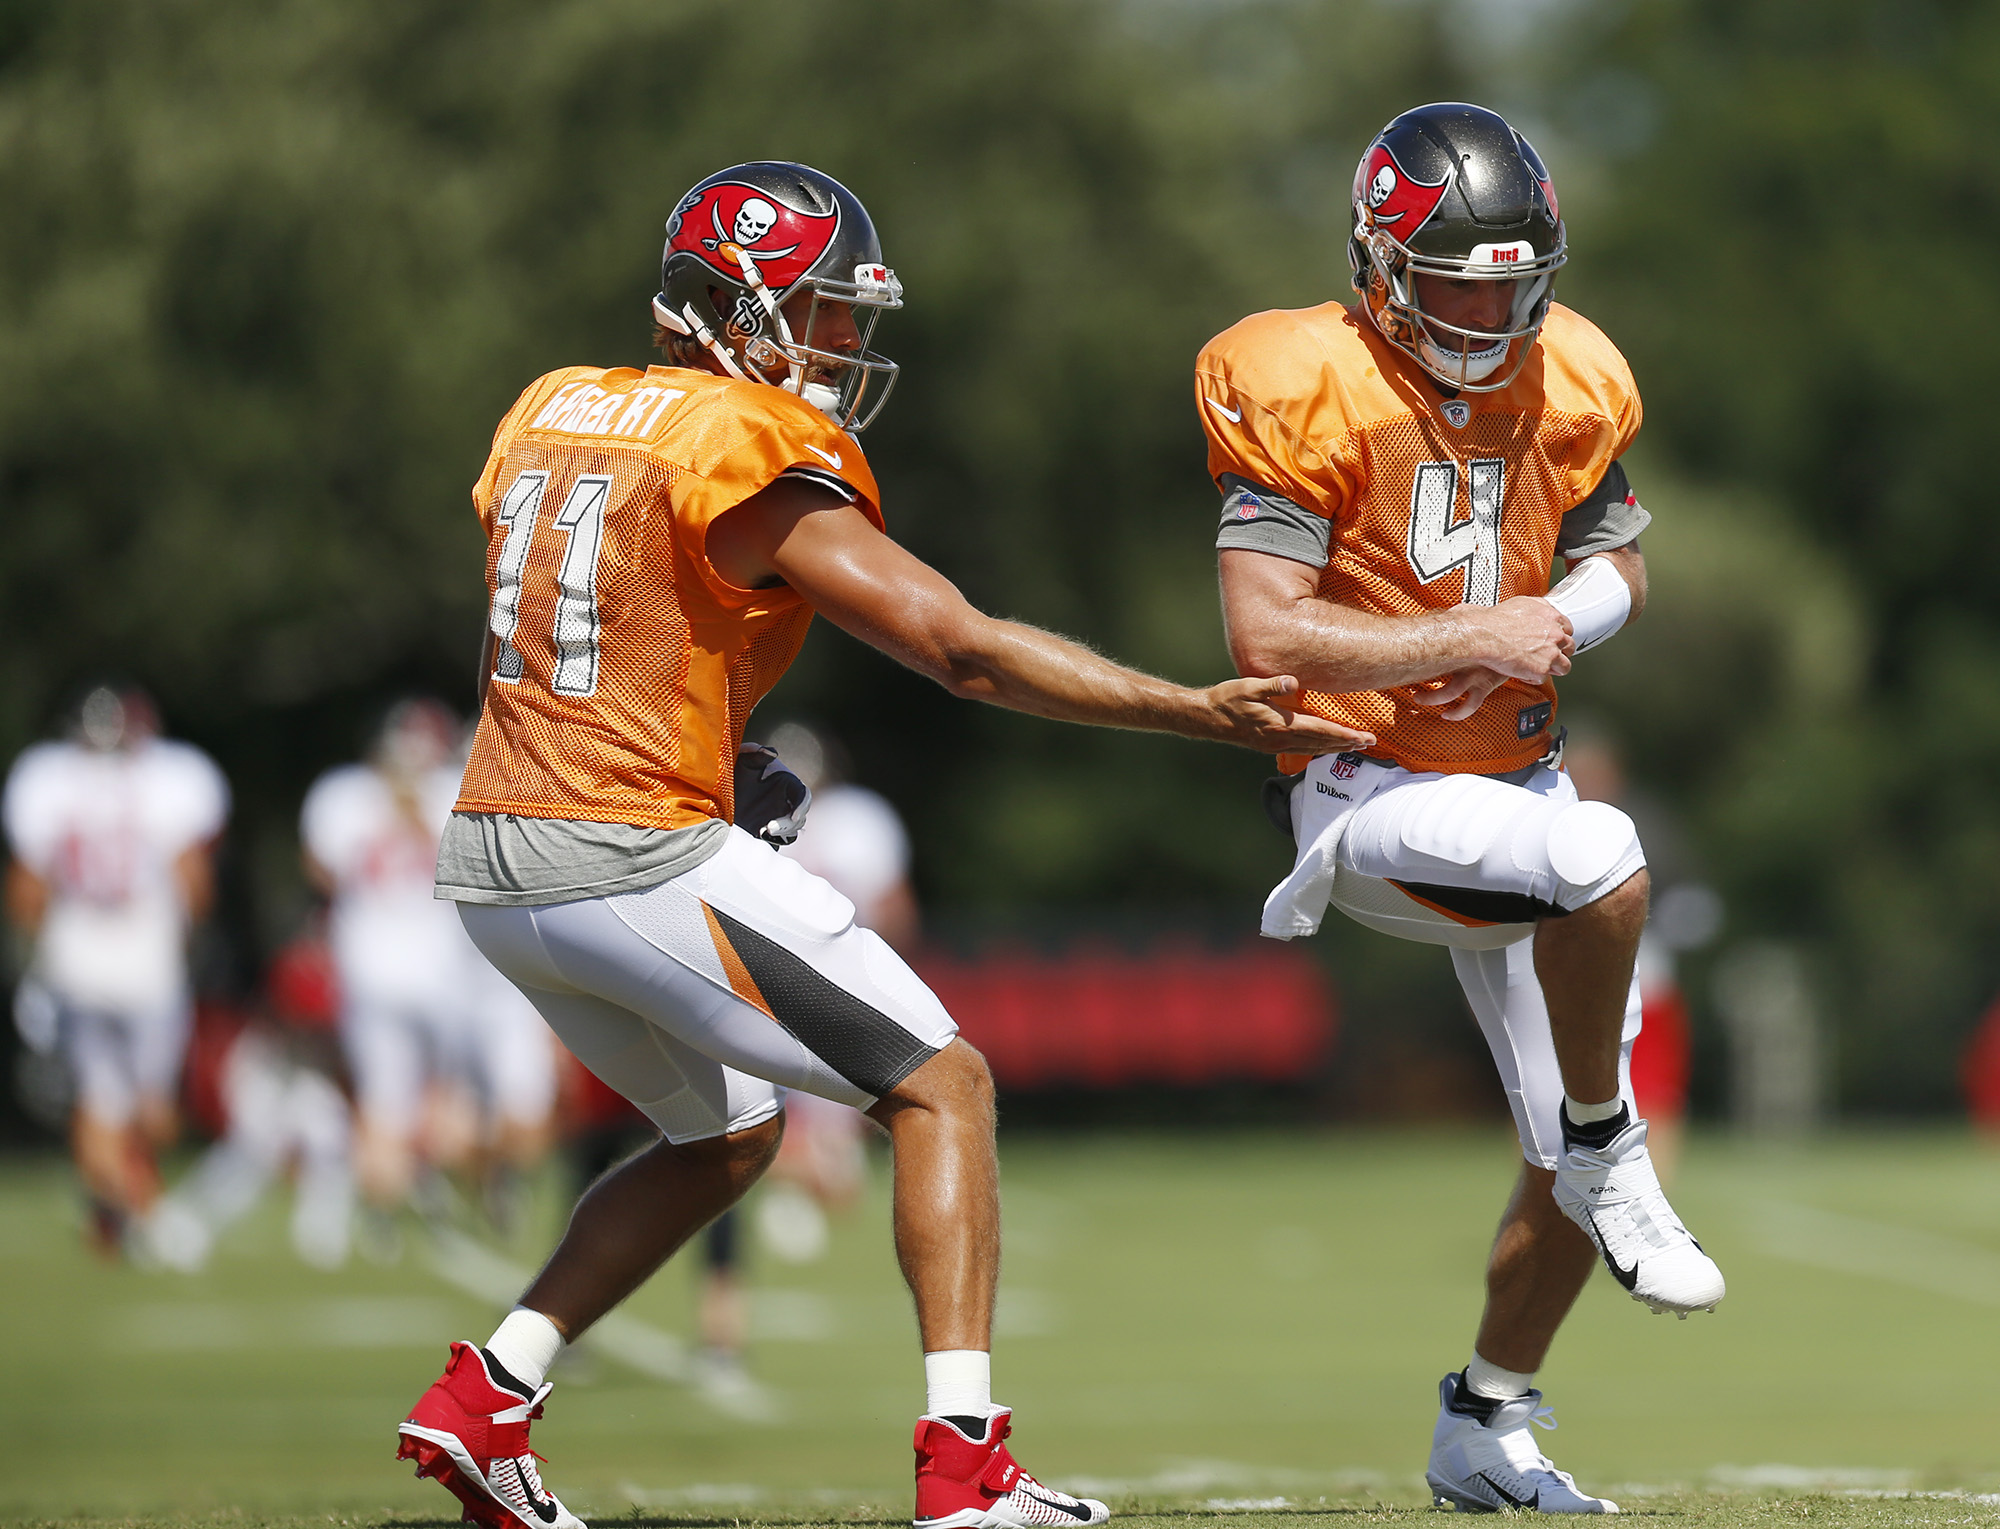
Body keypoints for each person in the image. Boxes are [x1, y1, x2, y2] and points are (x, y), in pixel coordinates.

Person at [395, 159, 1364, 1529]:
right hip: (627, 850)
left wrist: (703, 747)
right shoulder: (738, 444)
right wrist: (1191, 709)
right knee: (942, 1083)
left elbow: (585, 628)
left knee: (725, 1136)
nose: (848, 345)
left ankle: (488, 1395)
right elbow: (960, 651)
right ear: (735, 310)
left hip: (494, 856)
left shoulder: (550, 408)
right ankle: (967, 1471)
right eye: (825, 315)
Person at [1197, 104, 1725, 1514]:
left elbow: (1623, 568)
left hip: (1513, 792)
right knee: (1605, 861)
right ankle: (1621, 1141)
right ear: (1379, 262)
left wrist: (1554, 616)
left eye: (1512, 276)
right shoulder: (1305, 375)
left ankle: (1485, 1419)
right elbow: (1267, 633)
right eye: (1455, 277)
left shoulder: (1571, 378)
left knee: (1556, 1162)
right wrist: (1468, 638)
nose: (1489, 306)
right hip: (1361, 792)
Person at [302, 700, 556, 1253]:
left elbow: (321, 871)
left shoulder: (348, 799)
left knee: (393, 1101)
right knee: (438, 1102)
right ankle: (427, 1195)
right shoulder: (447, 794)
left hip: (386, 972)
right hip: (436, 974)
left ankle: (389, 1214)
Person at [2, 684, 229, 1260]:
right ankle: (136, 1207)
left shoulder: (48, 781)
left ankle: (117, 1203)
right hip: (145, 960)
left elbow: (25, 891)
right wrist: (192, 940)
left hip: (75, 958)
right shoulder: (168, 782)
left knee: (102, 1097)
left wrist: (34, 954)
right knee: (151, 1107)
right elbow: (194, 881)